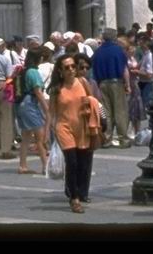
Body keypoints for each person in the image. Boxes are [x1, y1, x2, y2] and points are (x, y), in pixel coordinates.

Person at [49, 51, 104, 213]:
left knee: (81, 163)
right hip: (64, 127)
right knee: (71, 161)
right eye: (67, 67)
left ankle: (75, 189)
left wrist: (90, 106)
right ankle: (74, 199)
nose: (71, 69)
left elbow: (93, 101)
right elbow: (51, 112)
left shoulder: (83, 82)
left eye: (74, 66)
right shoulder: (56, 89)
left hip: (82, 126)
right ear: (60, 71)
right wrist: (48, 132)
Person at [91, 28, 131, 147]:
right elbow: (124, 69)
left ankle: (107, 138)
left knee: (106, 111)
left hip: (102, 83)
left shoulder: (98, 52)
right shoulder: (118, 50)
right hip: (116, 82)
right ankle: (123, 139)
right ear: (114, 37)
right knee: (120, 111)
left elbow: (93, 68)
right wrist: (128, 85)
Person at [15, 47, 50, 174]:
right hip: (30, 104)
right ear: (39, 58)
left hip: (20, 104)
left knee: (26, 137)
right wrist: (46, 109)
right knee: (40, 137)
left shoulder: (22, 71)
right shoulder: (34, 72)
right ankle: (46, 166)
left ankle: (22, 165)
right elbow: (38, 92)